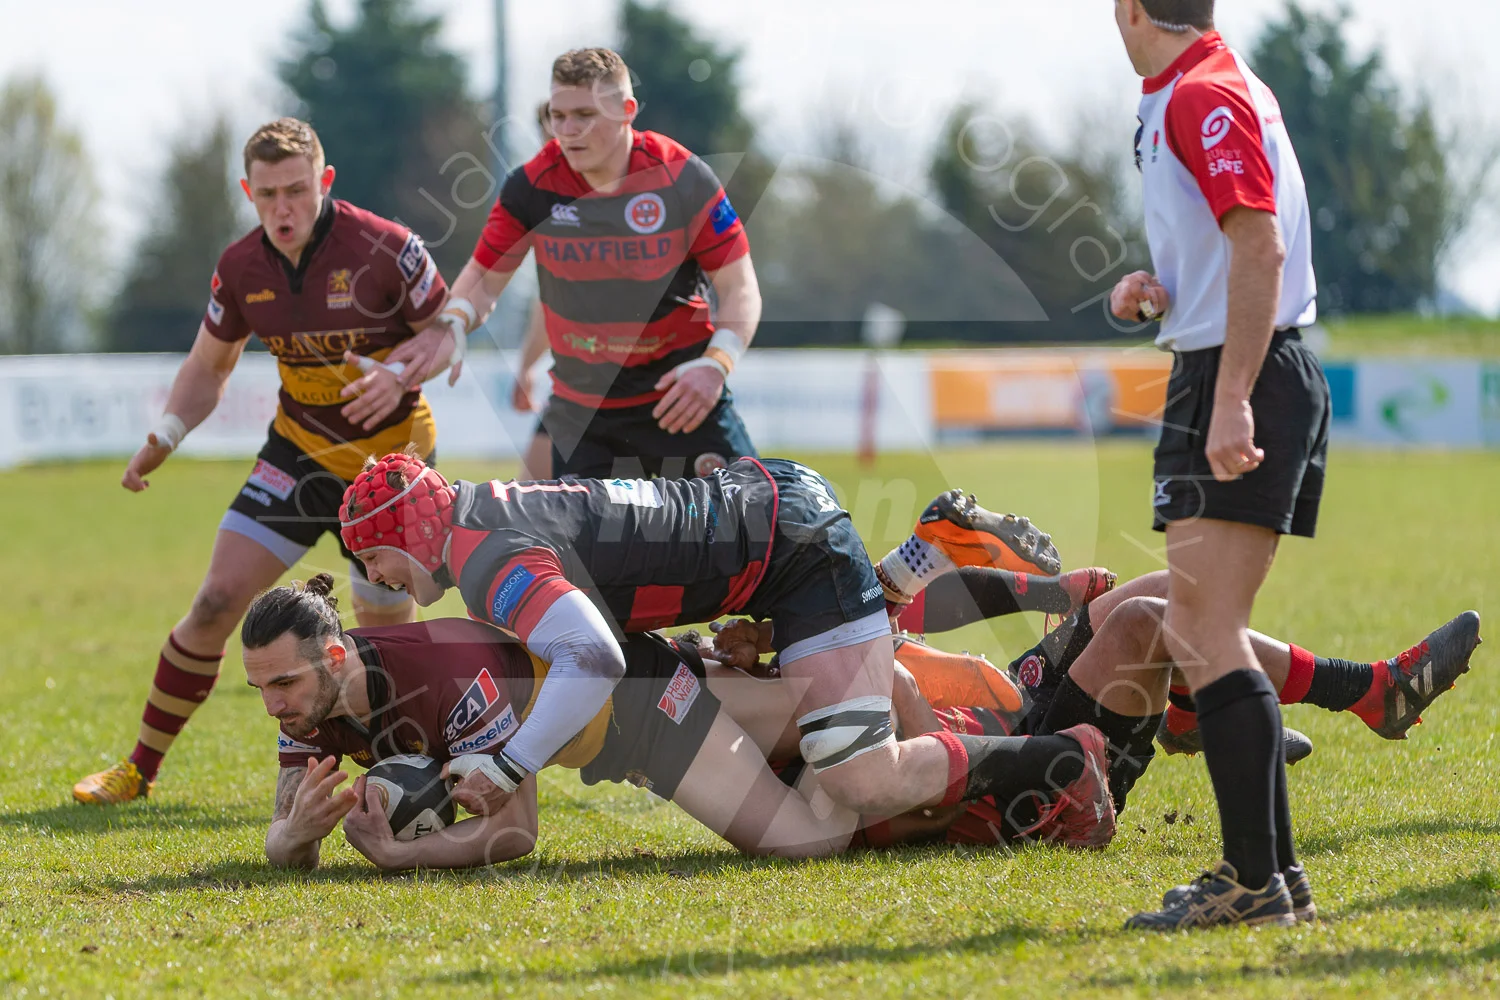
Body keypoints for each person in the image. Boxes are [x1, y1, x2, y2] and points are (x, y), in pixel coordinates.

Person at [337, 450, 1093, 832]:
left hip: (790, 555)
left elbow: (594, 654)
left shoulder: (484, 560)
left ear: (411, 531)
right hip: (766, 514)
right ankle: (922, 557)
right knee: (804, 660)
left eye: (373, 558)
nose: (378, 580)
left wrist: (509, 765)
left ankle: (1063, 762)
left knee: (856, 778)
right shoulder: (490, 512)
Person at [73, 118, 456, 806]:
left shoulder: (389, 248)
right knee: (217, 600)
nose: (284, 208)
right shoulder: (241, 266)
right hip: (298, 455)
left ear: (325, 182)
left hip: (388, 473)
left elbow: (447, 333)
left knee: (383, 642)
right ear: (248, 190)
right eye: (269, 194)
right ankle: (137, 770)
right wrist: (164, 434)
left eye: (298, 191)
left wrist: (400, 373)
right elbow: (209, 366)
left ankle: (409, 779)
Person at [245, 575, 1113, 870]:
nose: (276, 707)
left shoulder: (442, 678)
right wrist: (293, 842)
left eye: (283, 684)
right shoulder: (312, 701)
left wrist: (401, 853)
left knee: (810, 832)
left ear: (332, 657)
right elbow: (292, 821)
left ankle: (1033, 744)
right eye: (262, 693)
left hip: (642, 710)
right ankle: (990, 745)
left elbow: (514, 836)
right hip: (639, 702)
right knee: (836, 770)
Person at [1108, 0, 1327, 928]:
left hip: (1243, 376)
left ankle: (1252, 883)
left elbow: (1260, 243)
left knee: (1204, 632)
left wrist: (1233, 394)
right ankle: (1273, 880)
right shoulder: (1185, 92)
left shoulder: (1204, 94)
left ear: (1128, 10)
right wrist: (1155, 288)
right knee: (1207, 631)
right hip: (1229, 365)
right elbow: (1227, 246)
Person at [418, 47, 762, 480]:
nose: (568, 130)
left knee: (754, 528)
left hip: (681, 400)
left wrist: (717, 364)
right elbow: (485, 281)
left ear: (626, 111)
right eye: (557, 116)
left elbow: (739, 288)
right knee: (571, 543)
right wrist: (452, 319)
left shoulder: (682, 177)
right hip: (582, 415)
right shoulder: (531, 187)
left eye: (584, 114)